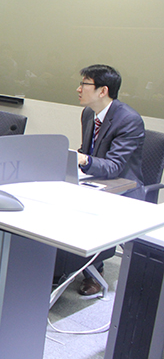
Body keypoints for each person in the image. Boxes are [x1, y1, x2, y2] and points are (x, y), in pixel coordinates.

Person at [75, 64, 145, 295]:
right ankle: (64, 265)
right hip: (95, 182)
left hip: (123, 189)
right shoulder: (88, 113)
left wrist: (83, 160)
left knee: (86, 213)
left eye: (84, 84)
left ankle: (94, 273)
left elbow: (114, 166)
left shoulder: (129, 120)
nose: (79, 89)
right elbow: (89, 151)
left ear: (103, 90)